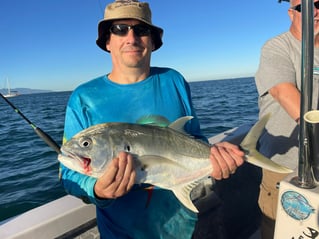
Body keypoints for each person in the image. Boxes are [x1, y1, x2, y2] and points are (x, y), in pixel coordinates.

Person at [59, 1, 258, 238]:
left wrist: (215, 160)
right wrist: (98, 189)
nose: (131, 38)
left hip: (182, 226)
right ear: (107, 41)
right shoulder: (84, 97)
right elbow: (68, 175)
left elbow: (193, 138)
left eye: (142, 30)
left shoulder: (173, 80)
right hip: (122, 233)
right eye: (120, 29)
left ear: (152, 42)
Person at [255, 0, 319, 238]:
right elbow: (285, 93)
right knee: (280, 230)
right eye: (305, 6)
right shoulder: (276, 48)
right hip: (283, 167)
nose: (315, 11)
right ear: (292, 13)